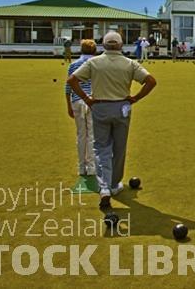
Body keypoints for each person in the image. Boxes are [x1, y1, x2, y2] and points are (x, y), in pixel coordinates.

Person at [67, 31, 157, 210]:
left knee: (101, 148)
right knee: (119, 147)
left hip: (100, 106)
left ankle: (105, 188)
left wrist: (86, 98)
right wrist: (135, 98)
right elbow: (151, 81)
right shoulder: (129, 63)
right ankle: (114, 184)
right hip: (121, 108)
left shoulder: (94, 62)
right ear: (121, 46)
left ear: (104, 45)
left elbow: (72, 80)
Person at [65, 39, 97, 177]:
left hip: (77, 100)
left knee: (81, 135)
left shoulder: (74, 65)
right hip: (92, 101)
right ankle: (91, 167)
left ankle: (81, 168)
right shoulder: (97, 64)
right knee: (92, 136)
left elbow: (68, 87)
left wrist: (68, 105)